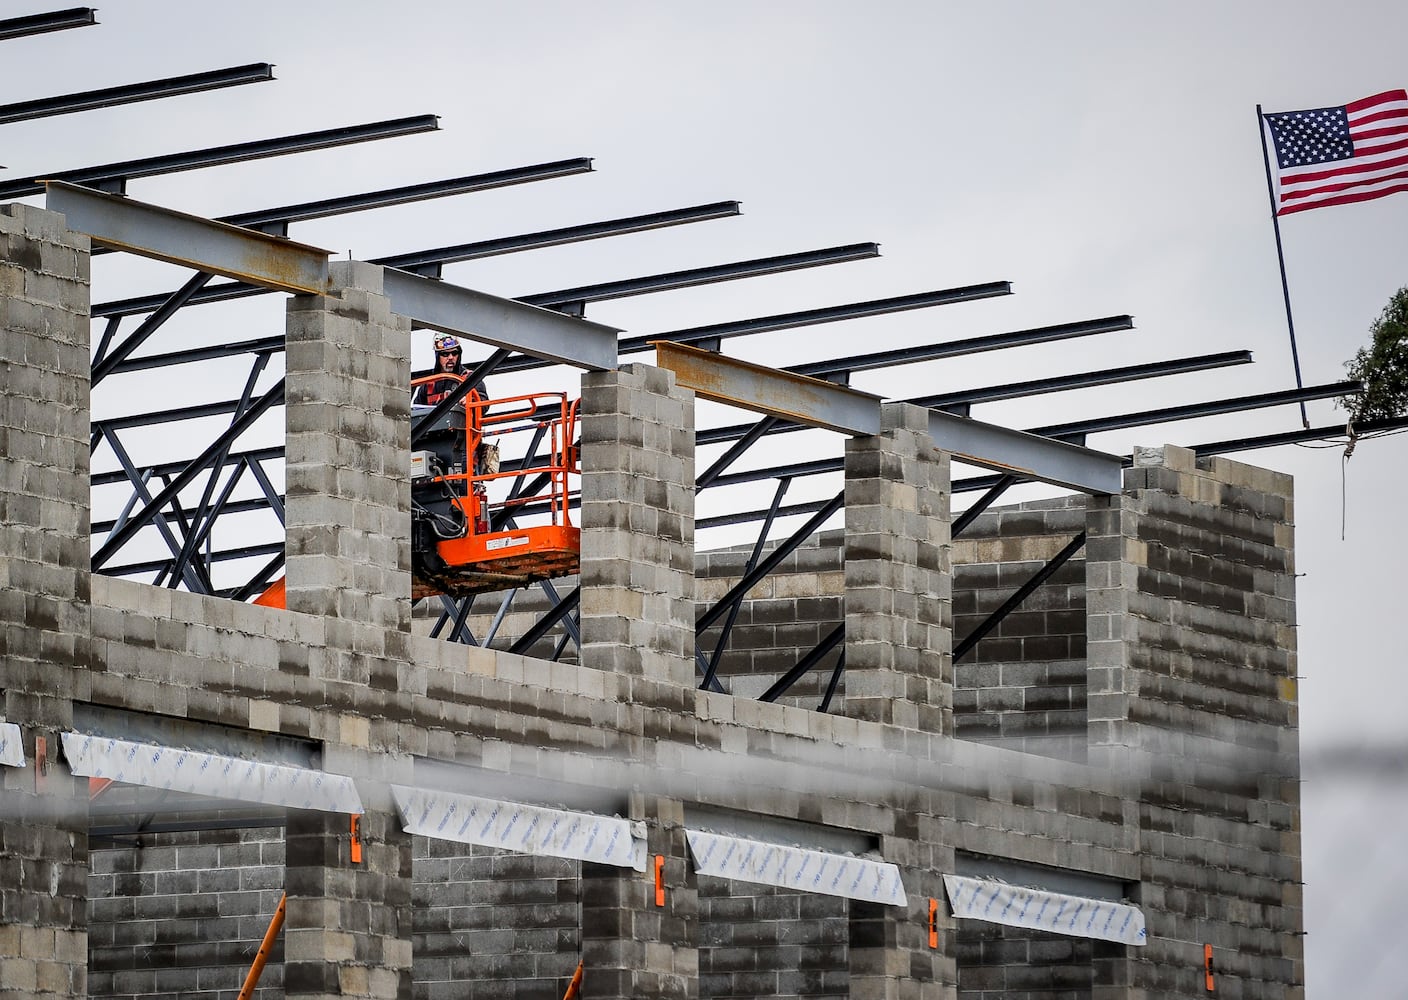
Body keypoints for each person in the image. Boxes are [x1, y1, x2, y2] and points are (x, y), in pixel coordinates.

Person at [413, 334, 468, 406]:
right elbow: (417, 409)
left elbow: (483, 400)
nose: (451, 357)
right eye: (445, 354)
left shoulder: (469, 377)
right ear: (438, 356)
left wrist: (471, 400)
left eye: (454, 353)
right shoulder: (428, 385)